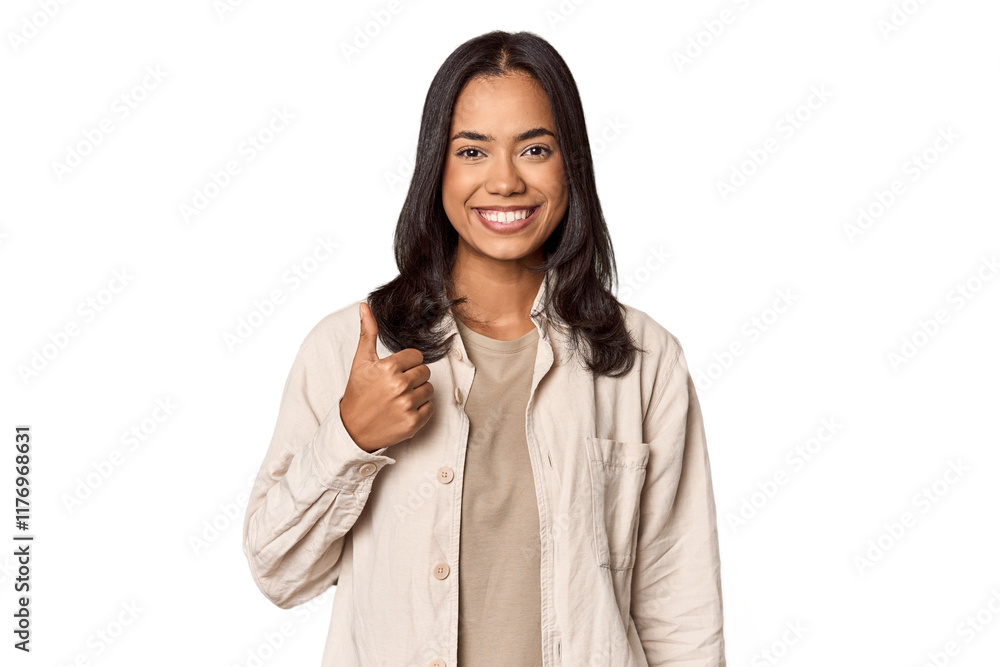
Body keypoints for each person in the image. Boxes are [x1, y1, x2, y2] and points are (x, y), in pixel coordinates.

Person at [242, 29, 726, 666]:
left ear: (570, 163)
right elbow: (280, 573)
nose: (504, 181)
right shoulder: (350, 348)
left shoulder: (642, 360)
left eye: (534, 148)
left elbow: (679, 608)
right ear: (435, 167)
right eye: (472, 150)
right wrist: (351, 437)